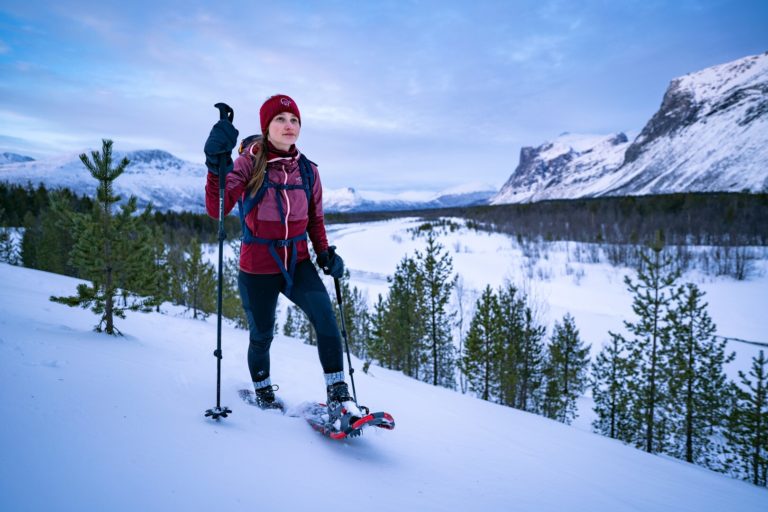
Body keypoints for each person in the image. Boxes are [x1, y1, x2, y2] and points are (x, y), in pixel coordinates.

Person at [203, 94, 360, 422]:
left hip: (298, 261)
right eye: (281, 119)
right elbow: (218, 206)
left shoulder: (308, 171)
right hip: (258, 264)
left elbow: (316, 219)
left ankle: (339, 397)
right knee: (262, 336)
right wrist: (215, 167)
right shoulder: (249, 163)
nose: (289, 126)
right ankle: (263, 392)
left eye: (294, 120)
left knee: (326, 320)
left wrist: (325, 253)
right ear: (266, 126)